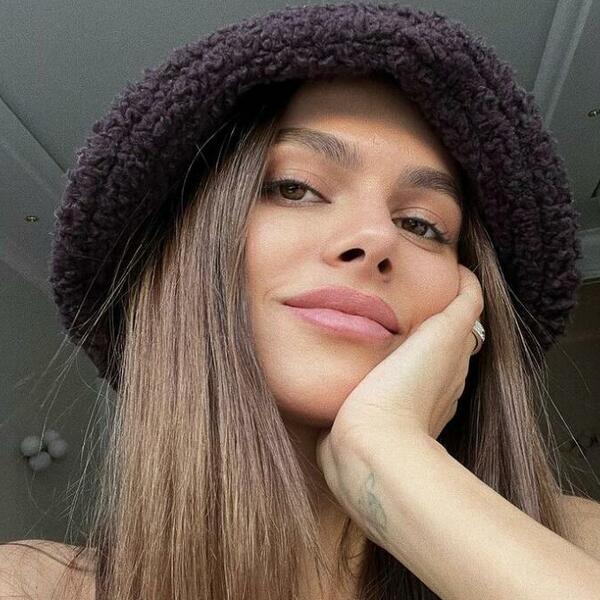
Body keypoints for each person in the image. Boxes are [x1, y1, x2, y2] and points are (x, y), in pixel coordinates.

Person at [2, 3, 599, 600]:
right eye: (295, 188)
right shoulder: (31, 586)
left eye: (422, 225)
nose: (375, 237)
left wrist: (387, 458)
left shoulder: (576, 541)